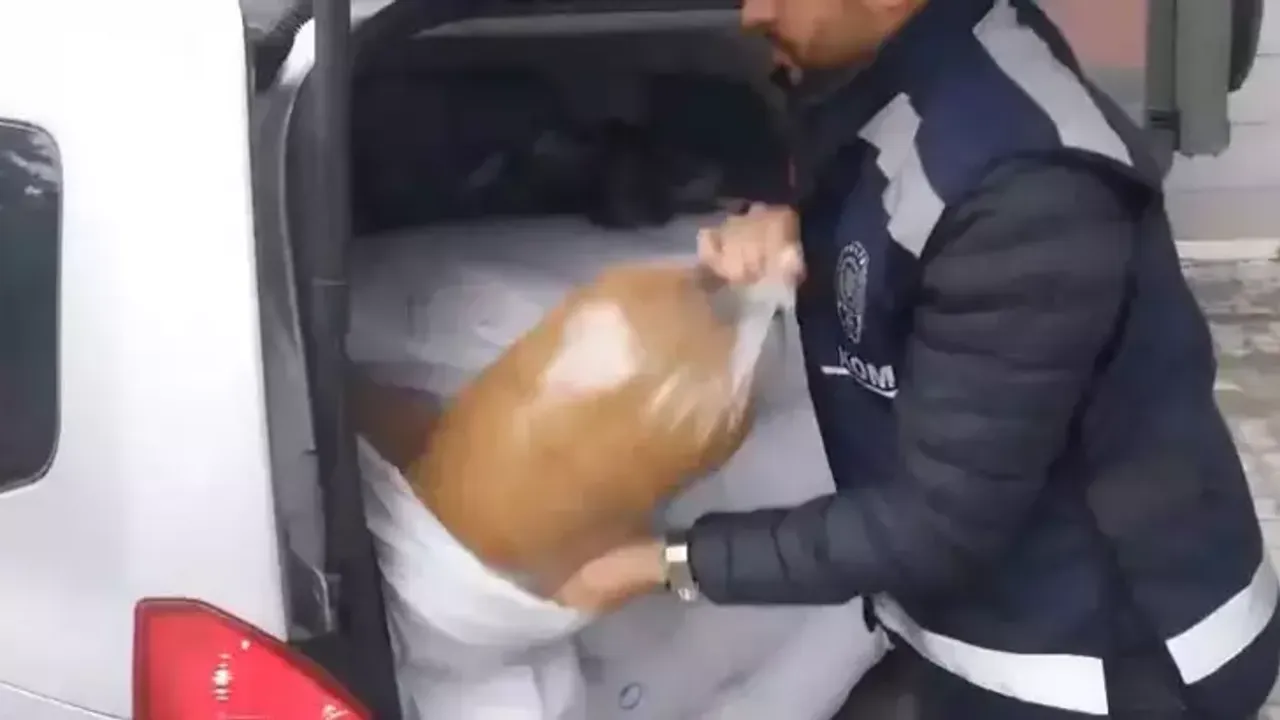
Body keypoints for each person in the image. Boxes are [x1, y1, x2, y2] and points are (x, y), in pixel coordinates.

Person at [552, 0, 1280, 718]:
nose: (753, 13)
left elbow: (938, 525)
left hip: (1111, 666)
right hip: (1007, 631)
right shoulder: (919, 72)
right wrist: (795, 216)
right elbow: (882, 178)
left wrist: (665, 562)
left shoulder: (1029, 194)